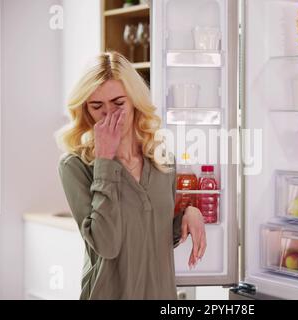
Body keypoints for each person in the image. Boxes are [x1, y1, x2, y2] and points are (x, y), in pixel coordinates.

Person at [55, 52, 206, 300]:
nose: (109, 114)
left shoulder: (162, 159)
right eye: (97, 106)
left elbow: (154, 238)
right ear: (85, 110)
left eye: (118, 103)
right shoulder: (75, 166)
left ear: (134, 101)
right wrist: (104, 159)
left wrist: (189, 215)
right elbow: (107, 244)